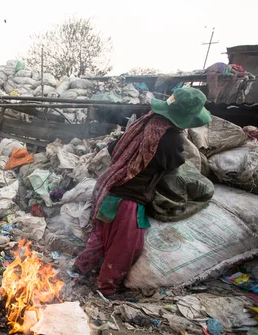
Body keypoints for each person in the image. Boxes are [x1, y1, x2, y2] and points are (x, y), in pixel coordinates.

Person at [74, 87, 212, 295]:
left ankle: (78, 269)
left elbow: (113, 148)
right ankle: (106, 288)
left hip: (109, 191)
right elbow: (174, 163)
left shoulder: (143, 123)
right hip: (129, 202)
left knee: (100, 238)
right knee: (126, 248)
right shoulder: (170, 139)